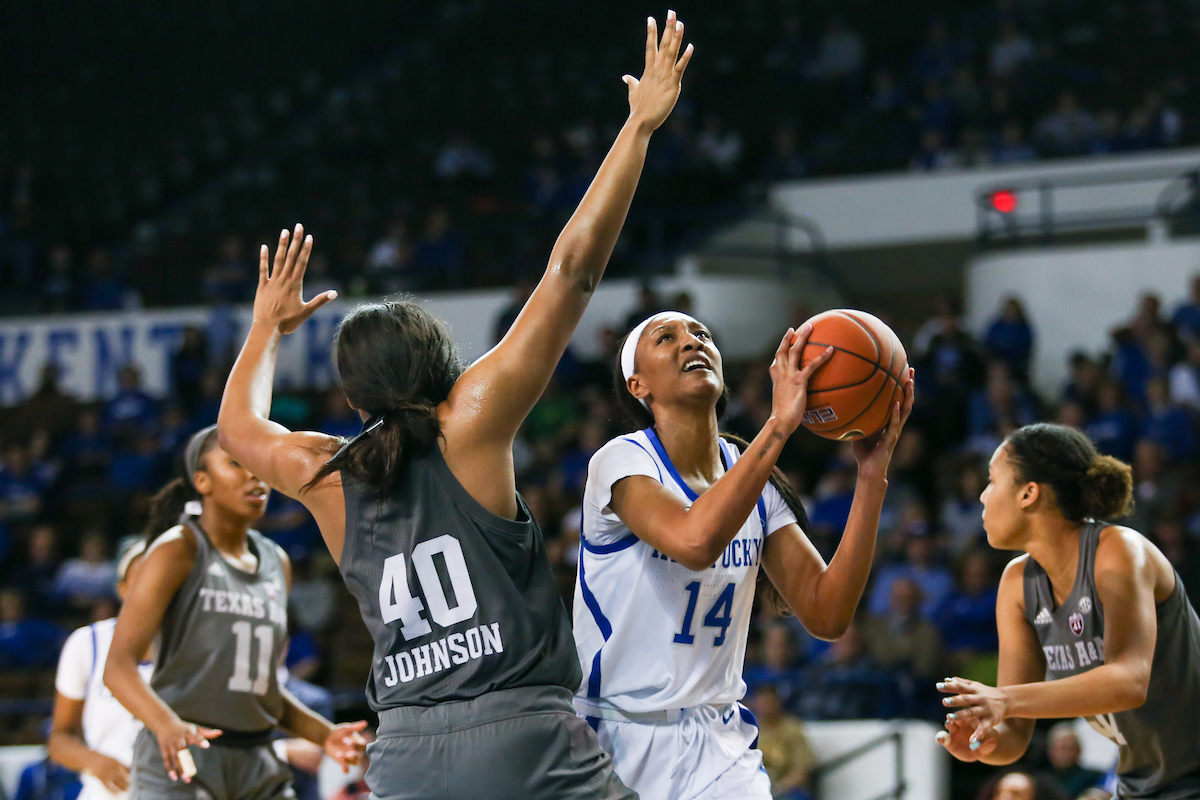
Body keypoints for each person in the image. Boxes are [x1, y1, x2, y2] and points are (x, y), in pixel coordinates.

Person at [214, 13, 694, 800]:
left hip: (402, 751)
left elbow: (237, 428)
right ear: (440, 361)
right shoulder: (469, 420)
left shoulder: (325, 472)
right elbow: (571, 272)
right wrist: (637, 130)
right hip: (519, 735)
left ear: (353, 393)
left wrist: (265, 328)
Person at [572, 311, 914, 798]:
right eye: (666, 338)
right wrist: (778, 425)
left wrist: (870, 478)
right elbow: (695, 541)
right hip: (618, 738)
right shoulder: (621, 461)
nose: (691, 343)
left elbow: (828, 612)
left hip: (718, 742)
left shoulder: (756, 480)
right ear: (637, 383)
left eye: (702, 335)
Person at [935, 423, 1200, 799]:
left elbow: (1129, 681)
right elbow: (1015, 736)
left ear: (1029, 494)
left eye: (992, 481)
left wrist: (1005, 700)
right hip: (1144, 782)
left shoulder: (1118, 551)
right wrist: (984, 741)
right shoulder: (1016, 584)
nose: (981, 496)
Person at [104, 427, 367, 800]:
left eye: (258, 465)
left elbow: (261, 690)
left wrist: (325, 734)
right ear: (202, 480)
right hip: (183, 755)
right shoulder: (178, 549)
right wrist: (165, 724)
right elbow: (117, 668)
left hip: (258, 758)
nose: (253, 474)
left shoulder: (277, 561)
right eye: (235, 464)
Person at [48, 541, 151, 800]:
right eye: (142, 578)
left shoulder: (196, 645)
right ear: (122, 588)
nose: (152, 588)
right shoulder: (87, 643)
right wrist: (95, 761)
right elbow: (59, 740)